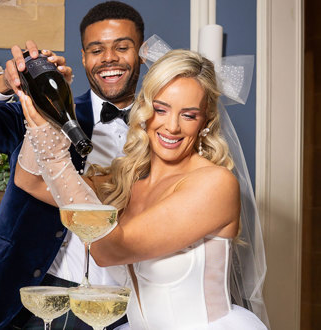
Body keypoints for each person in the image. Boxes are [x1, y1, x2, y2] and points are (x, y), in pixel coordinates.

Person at [15, 48, 268, 329]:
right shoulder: (127, 180)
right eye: (160, 109)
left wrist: (55, 156)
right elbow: (31, 181)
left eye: (189, 115)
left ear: (205, 121)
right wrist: (43, 114)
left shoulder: (215, 184)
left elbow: (109, 250)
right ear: (145, 110)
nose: (172, 127)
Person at [0, 1, 144, 329]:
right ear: (84, 57)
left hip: (127, 302)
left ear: (141, 52)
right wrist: (7, 82)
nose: (109, 58)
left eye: (122, 46)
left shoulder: (167, 128)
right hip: (36, 295)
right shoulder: (43, 111)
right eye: (96, 49)